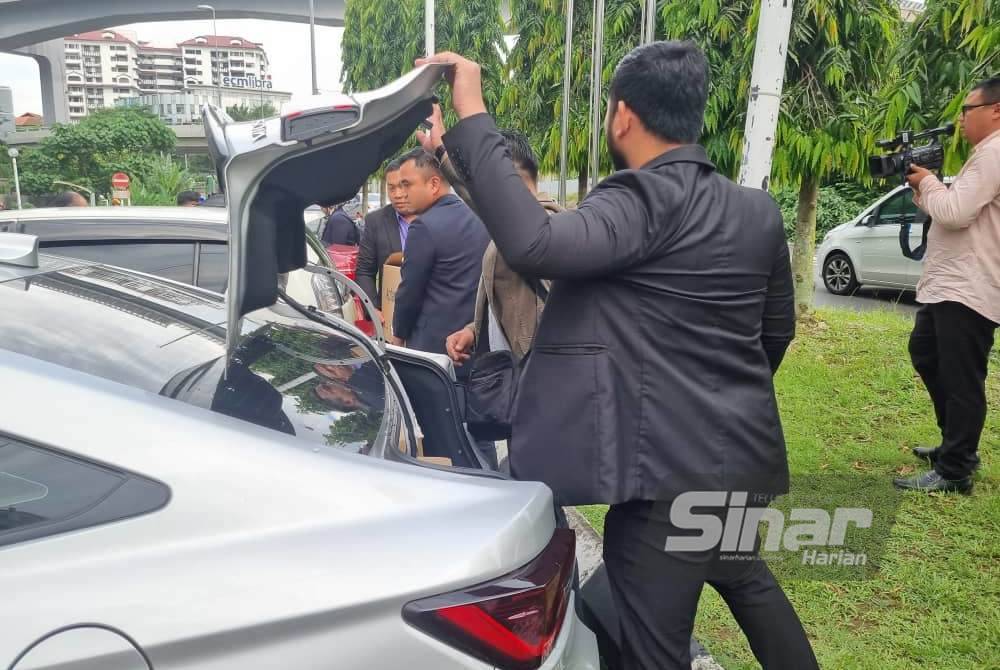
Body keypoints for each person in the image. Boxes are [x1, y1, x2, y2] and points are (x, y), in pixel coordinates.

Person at [420, 42, 817, 670]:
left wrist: (473, 112)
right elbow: (775, 335)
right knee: (746, 583)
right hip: (738, 462)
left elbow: (534, 242)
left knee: (650, 646)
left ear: (623, 116)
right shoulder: (756, 211)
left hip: (667, 482)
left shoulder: (639, 202)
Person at [894, 76, 1000, 494]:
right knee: (925, 352)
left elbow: (954, 212)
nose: (960, 120)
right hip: (952, 284)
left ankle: (956, 469)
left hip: (970, 286)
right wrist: (924, 188)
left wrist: (928, 182)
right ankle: (954, 443)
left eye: (967, 110)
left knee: (962, 378)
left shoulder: (994, 153)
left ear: (995, 110)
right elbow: (954, 209)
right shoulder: (985, 155)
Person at [414, 109, 562, 364]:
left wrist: (442, 150)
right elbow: (517, 304)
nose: (477, 186)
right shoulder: (512, 228)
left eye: (482, 176)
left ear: (503, 180)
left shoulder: (547, 227)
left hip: (532, 384)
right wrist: (473, 330)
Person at [390, 148, 489, 357]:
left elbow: (409, 294)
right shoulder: (478, 217)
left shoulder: (423, 227)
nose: (402, 193)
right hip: (474, 344)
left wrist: (397, 338)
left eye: (407, 184)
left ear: (434, 184)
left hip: (433, 351)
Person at [356, 160, 415, 310]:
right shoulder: (375, 221)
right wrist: (373, 309)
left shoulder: (435, 217)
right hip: (390, 315)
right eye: (392, 188)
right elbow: (364, 271)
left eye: (403, 186)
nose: (398, 194)